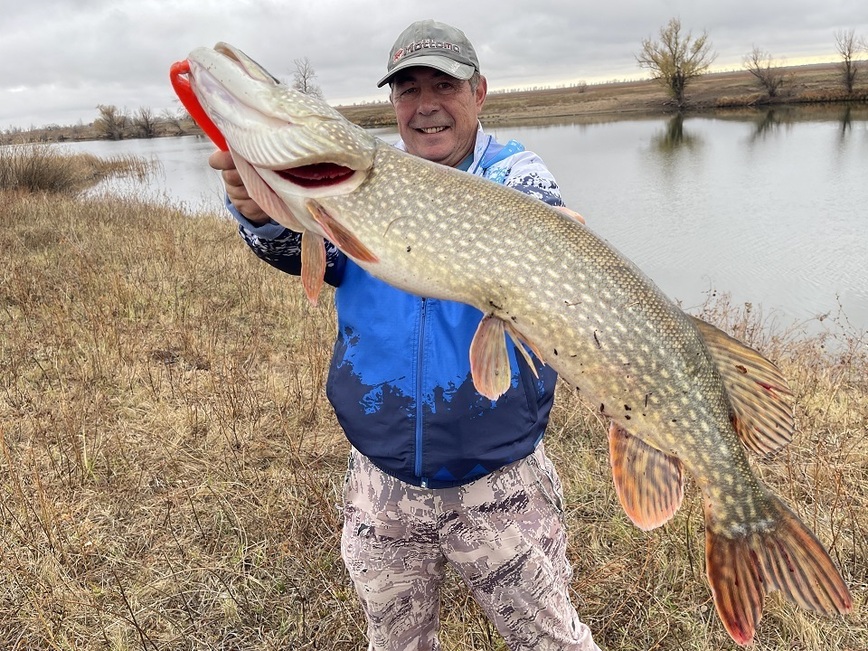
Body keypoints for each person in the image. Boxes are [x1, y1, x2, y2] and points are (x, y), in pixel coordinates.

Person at [209, 19, 601, 651]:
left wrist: (549, 234)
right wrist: (261, 210)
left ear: (479, 93)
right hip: (382, 476)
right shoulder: (358, 178)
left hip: (498, 480)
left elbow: (544, 219)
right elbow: (305, 254)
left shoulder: (515, 174)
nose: (425, 106)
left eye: (444, 86)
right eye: (408, 89)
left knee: (550, 641)